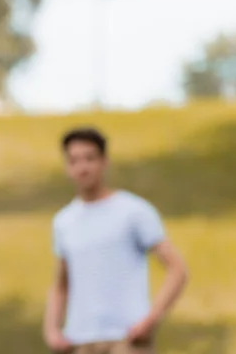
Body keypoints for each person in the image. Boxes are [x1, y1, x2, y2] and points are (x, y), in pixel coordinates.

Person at [43, 128, 188, 354]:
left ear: (104, 161)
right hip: (79, 342)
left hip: (126, 340)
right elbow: (61, 284)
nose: (83, 167)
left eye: (90, 158)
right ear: (67, 166)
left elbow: (177, 270)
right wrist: (52, 330)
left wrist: (150, 321)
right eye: (74, 160)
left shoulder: (134, 211)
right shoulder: (64, 221)